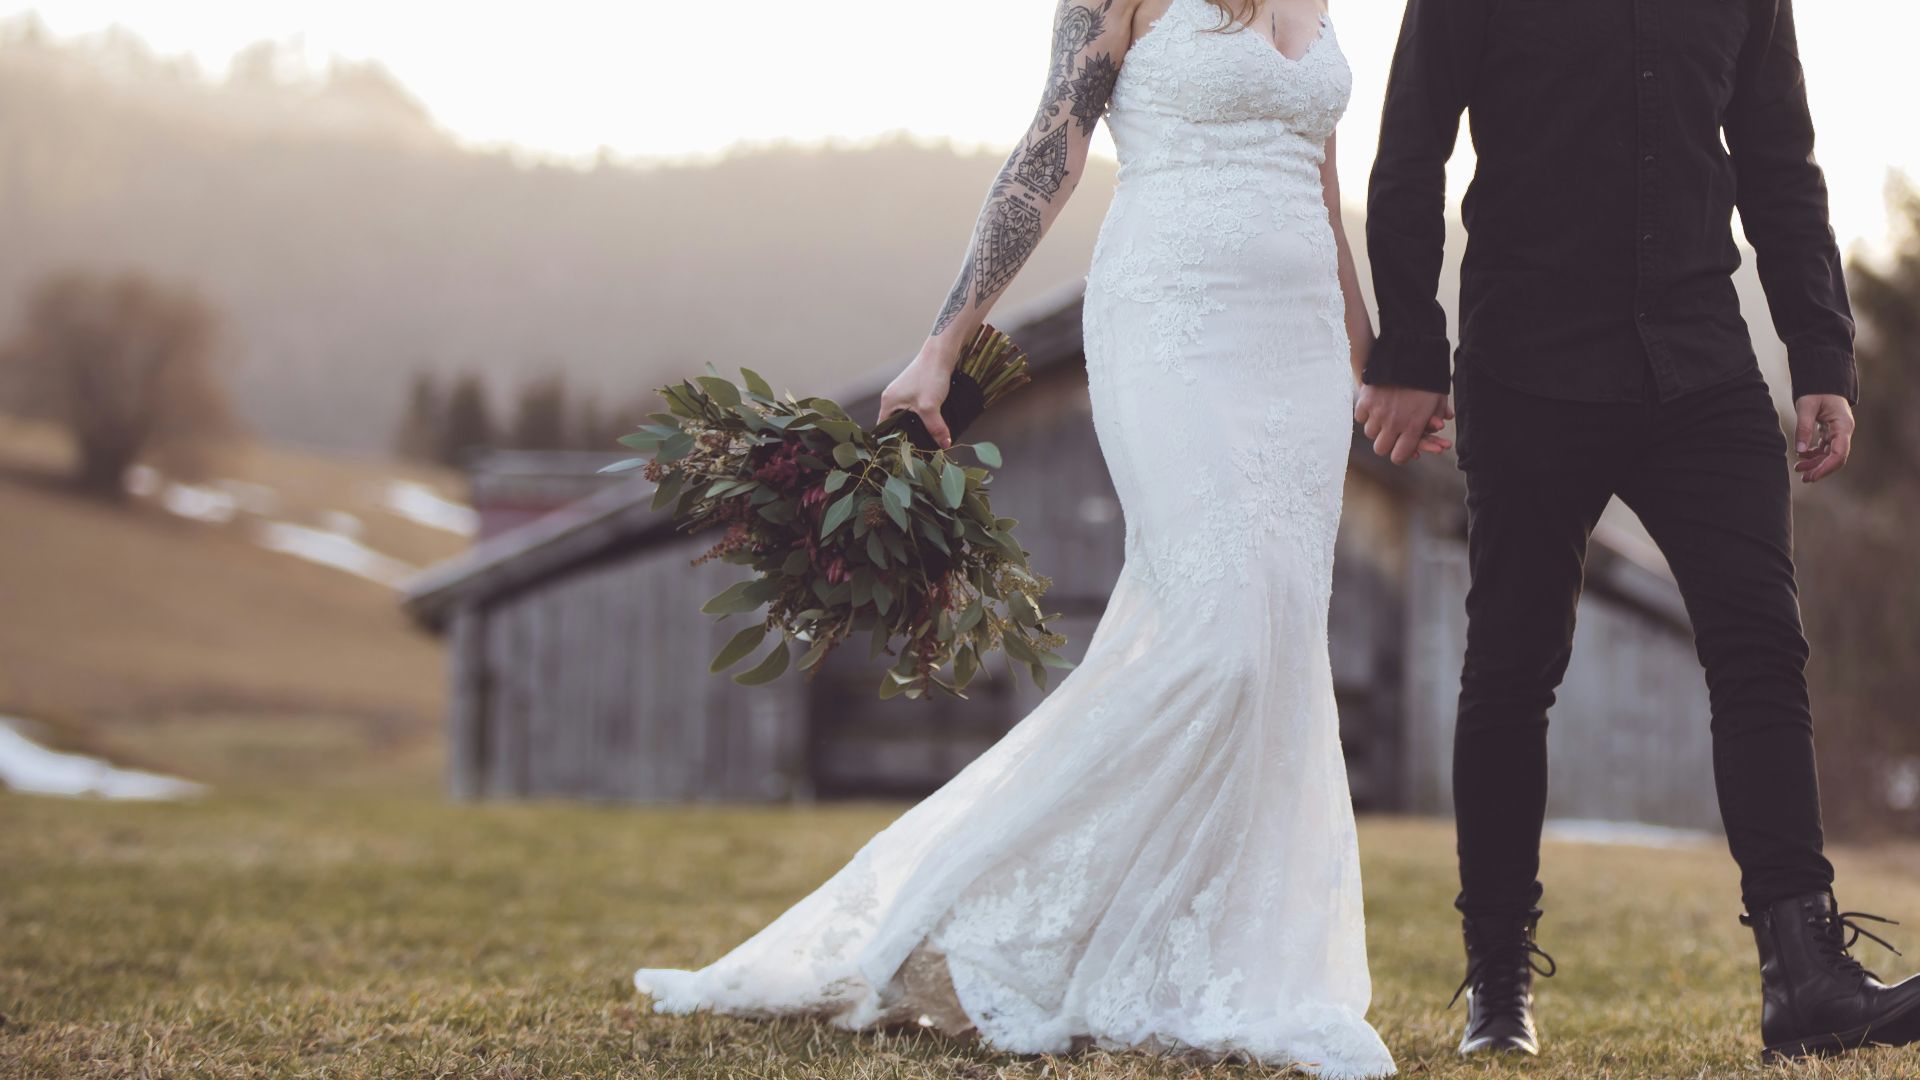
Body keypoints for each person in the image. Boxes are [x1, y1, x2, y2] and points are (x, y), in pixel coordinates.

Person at [631, 1, 1416, 1074]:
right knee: (1220, 641)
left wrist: (1369, 356)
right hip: (1173, 322)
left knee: (1276, 652)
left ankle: (1217, 967)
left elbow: (1323, 192)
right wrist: (942, 345)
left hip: (1300, 358)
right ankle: (969, 921)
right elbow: (1049, 150)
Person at [1362, 0, 1920, 1062]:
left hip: (1698, 363)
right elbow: (1411, 146)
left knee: (1761, 645)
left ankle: (1804, 975)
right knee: (1514, 668)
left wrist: (1819, 354)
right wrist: (1410, 345)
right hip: (1528, 364)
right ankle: (1496, 983)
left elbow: (1779, 160)